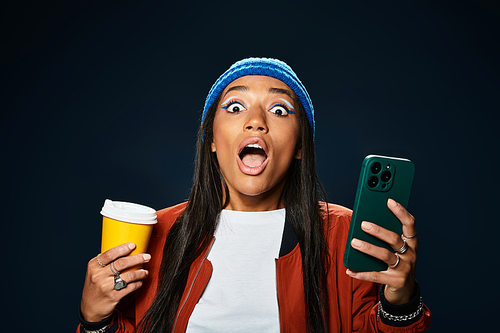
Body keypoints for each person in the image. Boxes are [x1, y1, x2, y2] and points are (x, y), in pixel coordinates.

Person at [78, 58, 431, 333]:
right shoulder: (158, 231)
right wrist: (96, 320)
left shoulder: (346, 235)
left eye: (279, 110)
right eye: (235, 107)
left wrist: (400, 303)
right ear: (213, 139)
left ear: (299, 147)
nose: (256, 121)